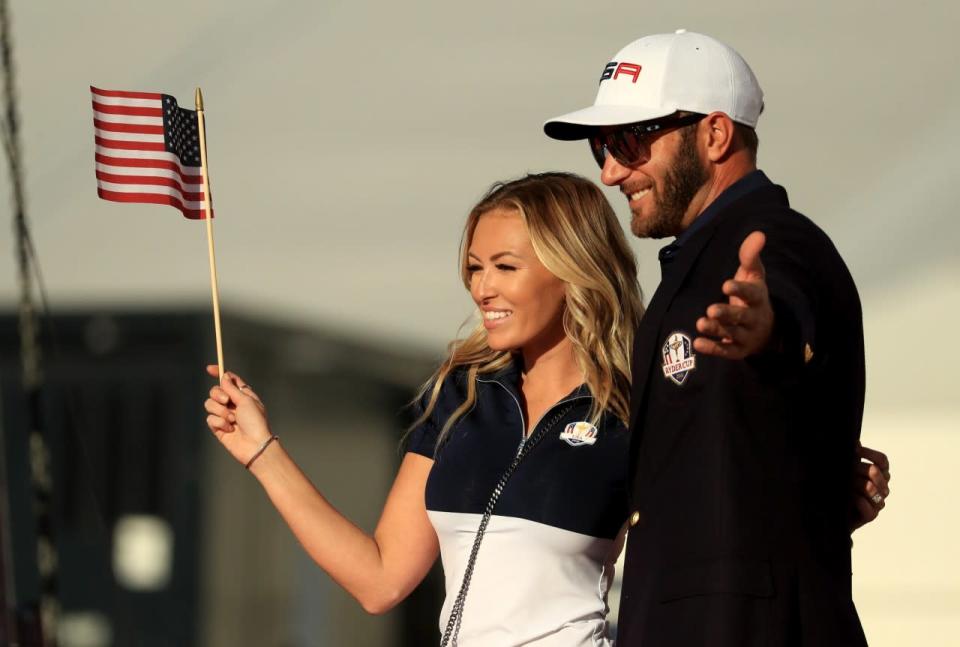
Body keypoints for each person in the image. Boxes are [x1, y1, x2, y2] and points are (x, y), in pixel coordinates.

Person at [543, 29, 886, 646]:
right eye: (601, 147)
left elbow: (783, 312)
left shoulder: (774, 241)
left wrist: (768, 333)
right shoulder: (695, 263)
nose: (613, 171)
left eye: (630, 141)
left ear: (716, 135)